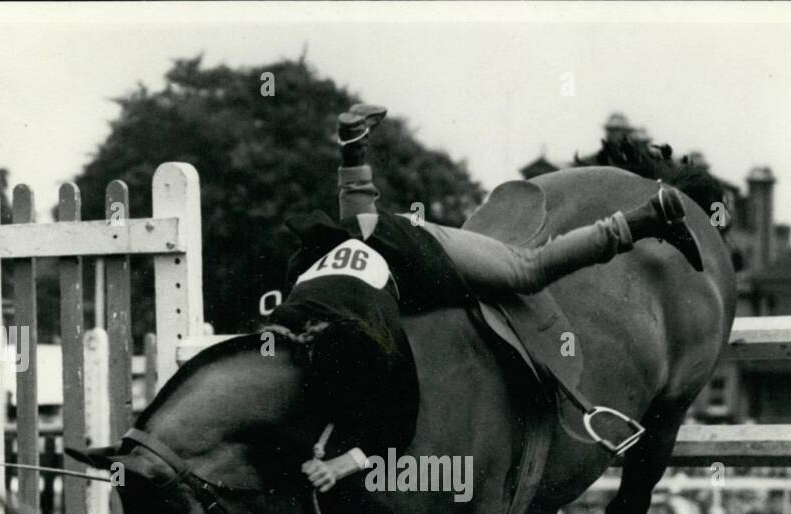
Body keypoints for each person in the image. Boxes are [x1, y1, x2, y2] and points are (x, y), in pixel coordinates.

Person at [279, 103, 705, 493]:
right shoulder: (298, 308)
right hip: (364, 236)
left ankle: (646, 218)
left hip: (404, 248)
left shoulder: (356, 330)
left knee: (527, 269)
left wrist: (340, 466)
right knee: (359, 221)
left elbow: (399, 417)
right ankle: (352, 145)